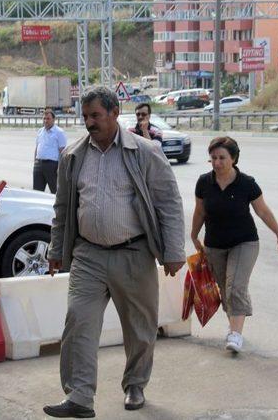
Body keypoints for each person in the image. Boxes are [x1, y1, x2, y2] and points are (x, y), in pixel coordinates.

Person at [43, 87, 186, 418]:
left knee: (140, 328)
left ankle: (135, 384)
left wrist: (174, 250)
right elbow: (63, 207)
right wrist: (56, 248)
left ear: (114, 112)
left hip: (134, 253)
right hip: (88, 256)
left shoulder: (145, 152)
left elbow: (169, 203)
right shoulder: (73, 156)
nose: (89, 123)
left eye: (96, 115)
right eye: (85, 117)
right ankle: (79, 395)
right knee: (79, 320)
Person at [191, 136, 278, 353]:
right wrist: (194, 234)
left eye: (222, 158)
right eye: (213, 158)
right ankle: (234, 324)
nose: (217, 163)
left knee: (235, 286)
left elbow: (263, 211)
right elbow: (200, 211)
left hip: (245, 242)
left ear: (233, 158)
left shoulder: (246, 183)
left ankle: (235, 334)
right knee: (226, 289)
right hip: (215, 243)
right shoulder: (203, 183)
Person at [33, 109, 67, 194]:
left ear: (53, 119)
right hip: (39, 165)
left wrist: (60, 168)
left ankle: (56, 207)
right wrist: (35, 162)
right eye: (44, 118)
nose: (45, 121)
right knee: (37, 193)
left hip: (52, 166)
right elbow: (37, 147)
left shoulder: (59, 132)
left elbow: (62, 152)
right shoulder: (40, 131)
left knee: (55, 192)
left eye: (48, 118)